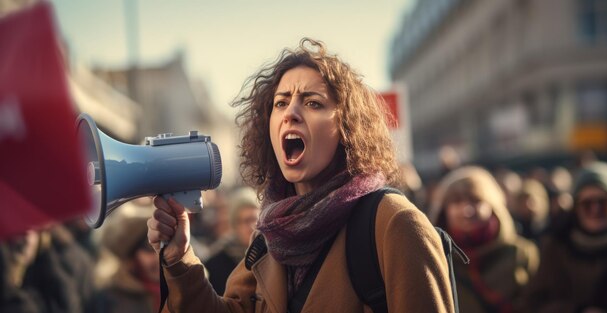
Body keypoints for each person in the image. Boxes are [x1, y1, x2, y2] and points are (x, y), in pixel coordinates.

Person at [147, 38, 454, 312]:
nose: (290, 113)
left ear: (347, 128)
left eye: (312, 102)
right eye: (280, 103)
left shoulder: (393, 223)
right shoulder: (271, 232)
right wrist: (179, 258)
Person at [518, 161, 607, 313]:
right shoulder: (557, 245)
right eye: (586, 203)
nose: (595, 209)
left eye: (604, 202)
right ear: (575, 206)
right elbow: (533, 303)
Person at [429, 166, 539, 313]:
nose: (467, 210)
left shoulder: (522, 253)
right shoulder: (435, 261)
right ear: (443, 210)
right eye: (456, 201)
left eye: (476, 200)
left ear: (493, 207)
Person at [97, 202, 160, 313]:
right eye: (149, 249)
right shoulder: (110, 299)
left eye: (162, 248)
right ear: (131, 257)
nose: (157, 258)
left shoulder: (179, 292)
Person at [204, 187, 260, 296]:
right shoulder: (216, 263)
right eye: (245, 221)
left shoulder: (269, 257)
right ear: (235, 225)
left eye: (254, 219)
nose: (251, 227)